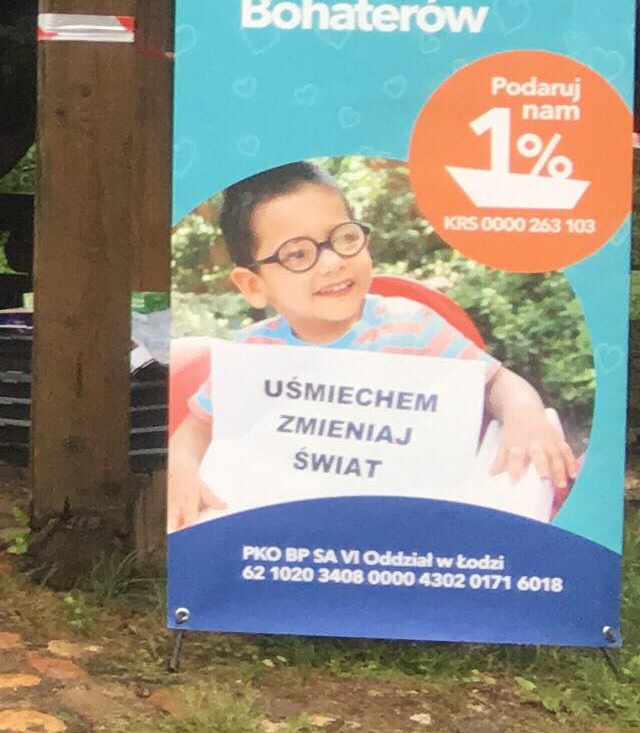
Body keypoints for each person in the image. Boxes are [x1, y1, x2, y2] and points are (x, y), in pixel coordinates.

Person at [169, 162, 577, 523]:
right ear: (253, 286)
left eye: (344, 238)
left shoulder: (412, 328)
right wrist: (181, 471)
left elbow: (498, 382)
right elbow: (194, 431)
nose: (333, 262)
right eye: (297, 255)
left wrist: (524, 413)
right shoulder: (252, 356)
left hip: (417, 515)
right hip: (295, 524)